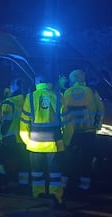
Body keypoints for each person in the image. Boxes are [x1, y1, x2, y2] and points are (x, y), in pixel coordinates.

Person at [19, 75, 73, 208]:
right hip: (54, 144)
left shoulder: (30, 97)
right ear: (50, 83)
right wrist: (65, 141)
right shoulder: (59, 96)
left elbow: (24, 124)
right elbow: (68, 124)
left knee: (37, 174)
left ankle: (38, 198)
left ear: (37, 83)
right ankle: (56, 198)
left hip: (34, 144)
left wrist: (27, 142)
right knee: (55, 174)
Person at [63, 69, 104, 198]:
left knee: (71, 161)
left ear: (73, 79)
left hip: (72, 133)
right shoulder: (92, 92)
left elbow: (62, 112)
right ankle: (84, 188)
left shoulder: (67, 92)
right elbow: (100, 110)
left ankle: (68, 187)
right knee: (86, 161)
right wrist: (97, 125)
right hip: (88, 133)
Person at [0, 78, 30, 195]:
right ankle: (24, 187)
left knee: (0, 162)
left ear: (15, 87)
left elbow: (5, 122)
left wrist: (0, 137)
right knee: (23, 164)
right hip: (24, 138)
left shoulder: (8, 102)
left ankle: (3, 184)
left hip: (9, 138)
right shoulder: (28, 100)